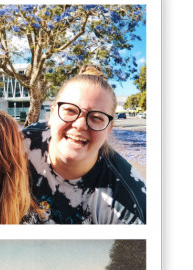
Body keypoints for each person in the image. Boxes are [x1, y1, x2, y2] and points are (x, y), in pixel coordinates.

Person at [22, 65, 146, 224]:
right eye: (70, 110)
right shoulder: (21, 144)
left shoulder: (128, 203)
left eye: (96, 117)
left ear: (109, 129)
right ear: (52, 114)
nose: (80, 125)